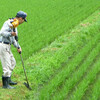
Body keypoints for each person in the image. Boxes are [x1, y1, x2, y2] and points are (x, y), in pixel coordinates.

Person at [0, 11, 27, 89]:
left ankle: (8, 80)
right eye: (23, 20)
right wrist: (10, 34)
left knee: (13, 62)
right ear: (21, 18)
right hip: (2, 45)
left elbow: (13, 39)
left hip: (7, 45)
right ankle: (5, 85)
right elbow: (1, 32)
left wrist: (18, 47)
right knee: (7, 65)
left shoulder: (15, 24)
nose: (23, 22)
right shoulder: (9, 23)